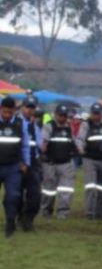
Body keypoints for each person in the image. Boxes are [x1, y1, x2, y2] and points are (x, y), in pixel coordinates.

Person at [40, 104, 77, 219]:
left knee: (66, 188)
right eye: (61, 115)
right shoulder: (48, 126)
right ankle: (46, 210)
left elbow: (73, 142)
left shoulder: (68, 128)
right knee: (48, 190)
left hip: (66, 163)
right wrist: (43, 149)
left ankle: (63, 212)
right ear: (55, 115)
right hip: (50, 163)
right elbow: (43, 142)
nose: (63, 118)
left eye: (65, 116)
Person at [0, 96, 30, 237]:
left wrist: (26, 163)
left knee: (13, 196)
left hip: (13, 167)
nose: (7, 115)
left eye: (9, 112)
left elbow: (25, 146)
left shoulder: (20, 123)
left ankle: (10, 223)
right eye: (4, 112)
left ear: (13, 111)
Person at [76, 103, 102, 219]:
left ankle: (100, 211)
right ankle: (89, 212)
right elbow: (80, 139)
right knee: (90, 186)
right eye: (94, 114)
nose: (96, 116)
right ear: (91, 113)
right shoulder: (86, 125)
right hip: (89, 158)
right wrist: (80, 149)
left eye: (98, 114)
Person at [16, 96, 42, 231]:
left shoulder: (34, 125)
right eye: (28, 107)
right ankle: (20, 217)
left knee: (35, 195)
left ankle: (28, 219)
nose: (30, 110)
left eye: (32, 108)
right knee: (17, 195)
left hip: (33, 164)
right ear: (22, 108)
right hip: (18, 164)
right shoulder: (16, 123)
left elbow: (39, 144)